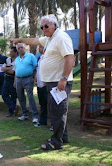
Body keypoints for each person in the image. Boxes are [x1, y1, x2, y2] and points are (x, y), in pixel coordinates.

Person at [13, 14, 75, 150]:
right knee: (57, 110)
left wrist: (63, 78)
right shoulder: (49, 38)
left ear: (55, 25)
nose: (44, 29)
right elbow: (35, 41)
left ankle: (56, 142)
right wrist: (21, 39)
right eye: (42, 27)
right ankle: (63, 137)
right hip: (52, 83)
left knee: (57, 111)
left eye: (46, 26)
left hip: (59, 82)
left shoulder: (61, 37)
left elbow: (70, 58)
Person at [14, 43, 39, 123]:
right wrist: (15, 81)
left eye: (22, 47)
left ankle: (35, 115)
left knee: (30, 96)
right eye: (19, 48)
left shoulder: (31, 56)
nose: (20, 49)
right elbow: (16, 70)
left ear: (24, 48)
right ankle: (25, 114)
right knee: (20, 97)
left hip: (28, 79)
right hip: (18, 79)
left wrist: (34, 78)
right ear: (17, 50)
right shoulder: (17, 59)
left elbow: (36, 67)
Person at [1, 46, 18, 117]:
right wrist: (10, 68)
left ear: (15, 52)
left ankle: (11, 111)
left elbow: (12, 72)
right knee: (4, 94)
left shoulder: (18, 60)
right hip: (6, 79)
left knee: (13, 95)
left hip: (13, 79)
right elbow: (2, 69)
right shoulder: (8, 59)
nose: (10, 53)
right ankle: (13, 107)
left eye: (11, 52)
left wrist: (7, 68)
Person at [34, 46, 48, 127]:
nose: (40, 49)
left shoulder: (49, 58)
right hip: (39, 84)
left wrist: (47, 81)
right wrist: (35, 78)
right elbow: (38, 69)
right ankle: (43, 121)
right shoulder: (40, 58)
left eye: (42, 47)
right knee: (42, 103)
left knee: (49, 104)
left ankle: (54, 124)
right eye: (39, 47)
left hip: (46, 85)